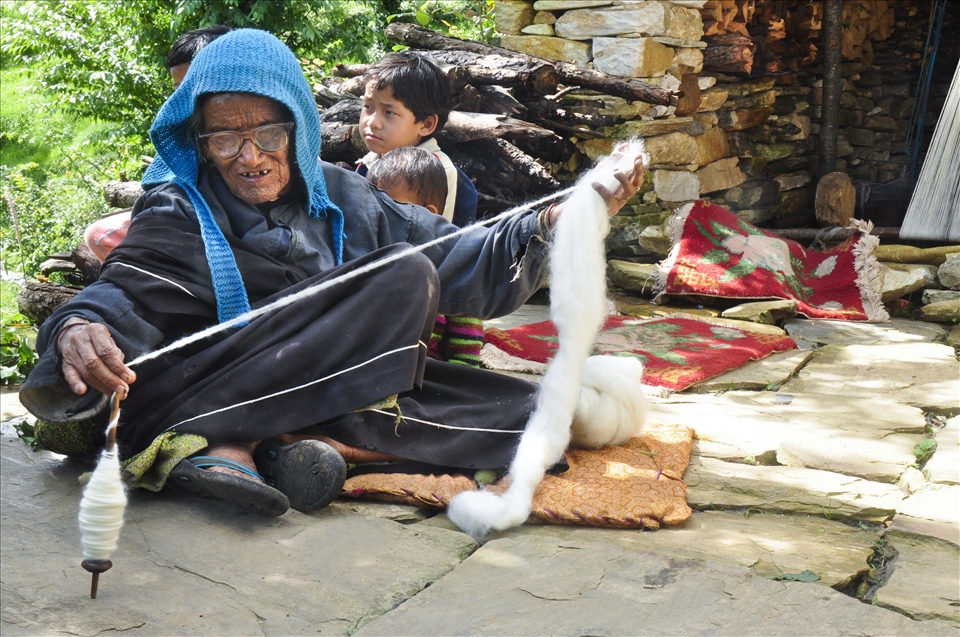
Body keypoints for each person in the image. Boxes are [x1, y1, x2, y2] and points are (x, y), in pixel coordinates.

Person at [20, 29, 643, 519]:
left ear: (298, 124)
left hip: (338, 384)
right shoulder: (179, 206)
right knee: (402, 279)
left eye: (268, 131)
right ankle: (247, 440)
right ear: (199, 141)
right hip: (217, 376)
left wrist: (563, 219)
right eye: (224, 139)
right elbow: (124, 288)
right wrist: (79, 324)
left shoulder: (350, 196)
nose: (249, 155)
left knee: (542, 417)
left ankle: (282, 445)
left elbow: (466, 258)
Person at [85, 25, 231, 261]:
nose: (185, 98)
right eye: (178, 89)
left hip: (214, 225)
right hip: (181, 215)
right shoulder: (182, 128)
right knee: (100, 235)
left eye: (194, 85)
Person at [368, 146, 485, 368]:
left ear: (427, 214)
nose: (381, 219)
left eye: (392, 210)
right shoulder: (373, 259)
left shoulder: (448, 267)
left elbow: (466, 334)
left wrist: (459, 375)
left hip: (432, 371)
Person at [355, 51, 478, 228]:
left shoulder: (440, 174)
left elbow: (446, 244)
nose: (372, 122)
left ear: (426, 124)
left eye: (389, 112)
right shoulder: (368, 163)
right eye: (368, 107)